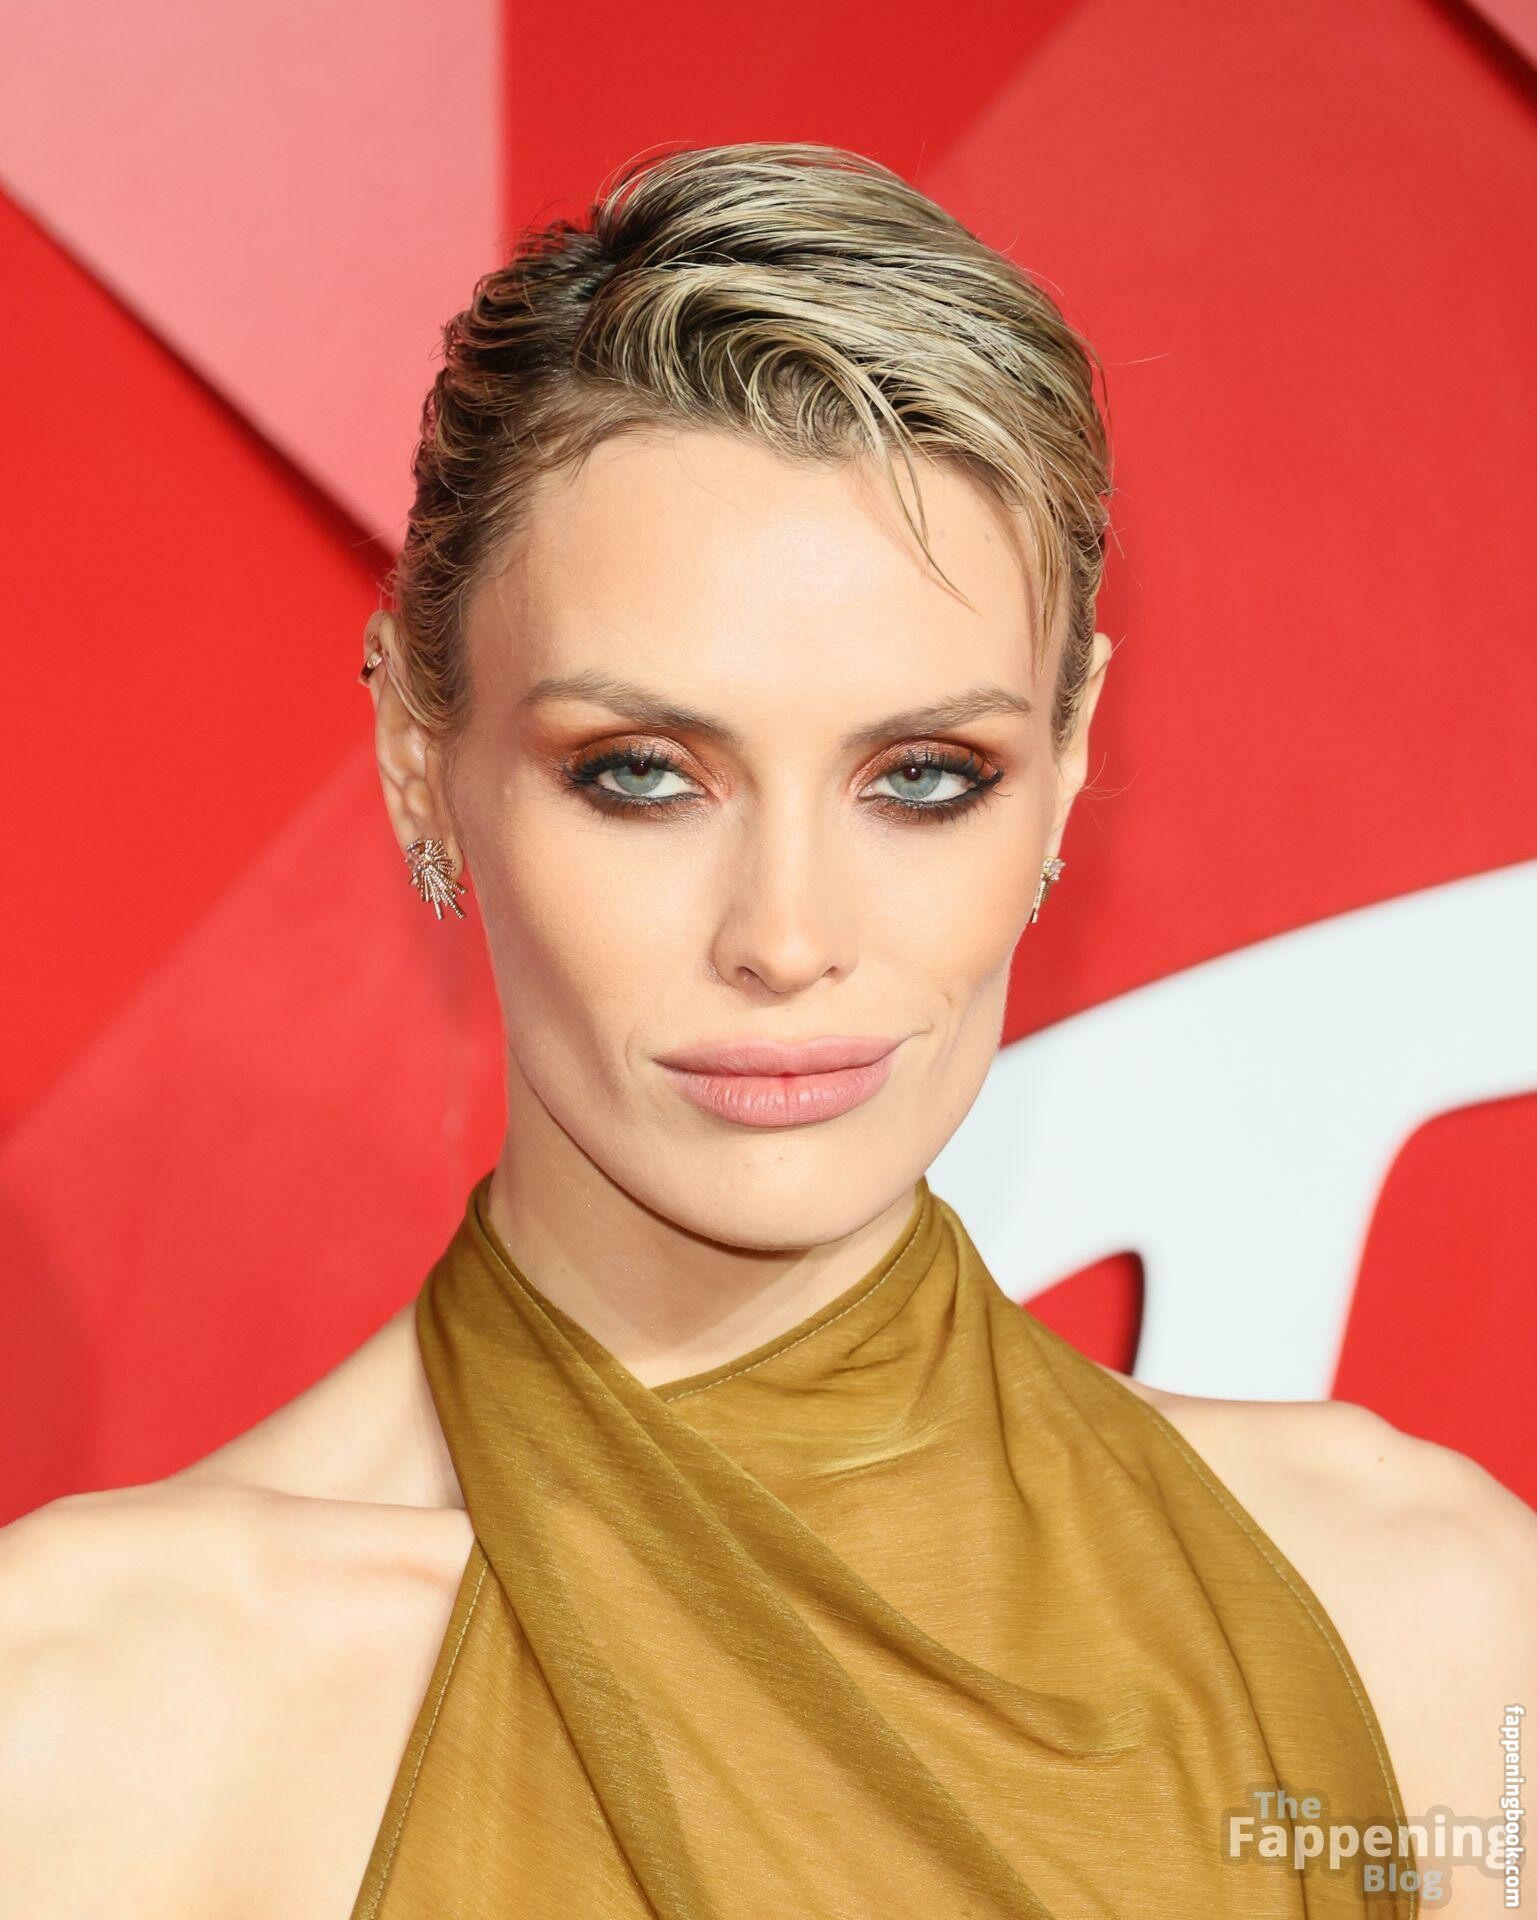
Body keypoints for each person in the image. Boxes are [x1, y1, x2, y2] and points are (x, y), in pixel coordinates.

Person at [1, 140, 1532, 1920]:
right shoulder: (88, 1719)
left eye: (924, 776)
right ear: (422, 752)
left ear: (1066, 760)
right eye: (642, 774)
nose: (787, 939)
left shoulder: (1417, 1616)